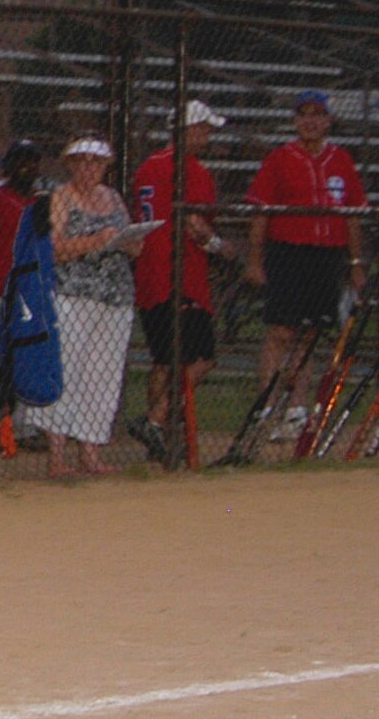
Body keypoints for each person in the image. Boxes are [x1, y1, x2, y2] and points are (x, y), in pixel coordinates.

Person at [244, 89, 368, 425]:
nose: (310, 121)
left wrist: (356, 263)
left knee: (310, 332)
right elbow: (261, 214)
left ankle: (297, 408)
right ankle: (266, 405)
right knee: (280, 330)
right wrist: (255, 260)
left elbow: (353, 214)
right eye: (304, 114)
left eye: (317, 114)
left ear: (328, 120)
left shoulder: (341, 160)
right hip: (289, 251)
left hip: (326, 255)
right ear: (295, 121)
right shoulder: (280, 159)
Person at [127, 102, 232, 462]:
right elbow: (196, 227)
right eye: (202, 129)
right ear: (185, 131)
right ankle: (156, 422)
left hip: (150, 274)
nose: (206, 136)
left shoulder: (148, 167)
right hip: (181, 274)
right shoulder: (193, 170)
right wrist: (221, 247)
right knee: (200, 359)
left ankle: (159, 440)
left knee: (163, 361)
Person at [37, 135, 142, 478]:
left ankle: (91, 452)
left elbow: (134, 246)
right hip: (74, 294)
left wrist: (128, 242)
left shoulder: (111, 198)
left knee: (103, 375)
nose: (89, 168)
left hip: (113, 296)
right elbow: (53, 249)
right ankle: (56, 455)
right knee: (67, 370)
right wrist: (92, 243)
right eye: (82, 161)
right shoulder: (62, 197)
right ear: (71, 164)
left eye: (96, 163)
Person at [0, 140, 45, 455]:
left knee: (28, 364)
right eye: (20, 160)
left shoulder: (42, 205)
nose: (26, 166)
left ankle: (25, 428)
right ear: (7, 166)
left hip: (32, 297)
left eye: (32, 161)